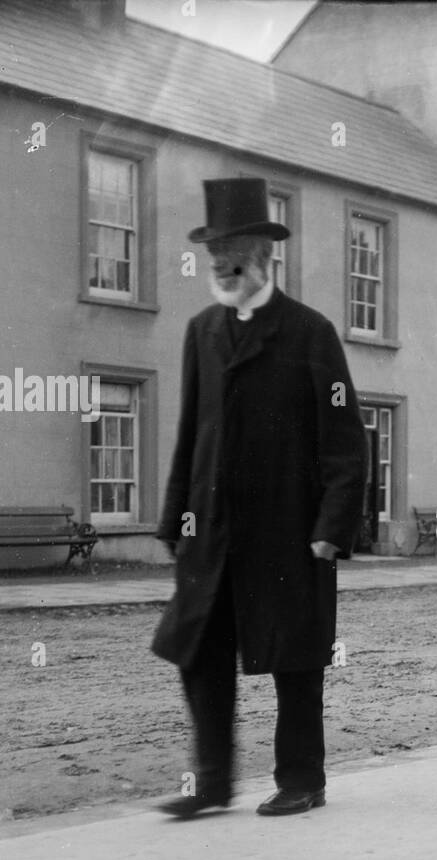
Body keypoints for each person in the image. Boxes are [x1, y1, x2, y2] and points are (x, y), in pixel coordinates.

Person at [152, 178, 368, 819]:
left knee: (295, 658)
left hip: (289, 531)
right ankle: (212, 782)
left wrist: (333, 526)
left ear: (264, 257)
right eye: (213, 255)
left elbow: (345, 441)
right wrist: (174, 521)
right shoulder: (200, 332)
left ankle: (302, 779)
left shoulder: (310, 334)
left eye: (232, 254)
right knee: (197, 650)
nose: (220, 265)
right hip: (212, 531)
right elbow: (191, 431)